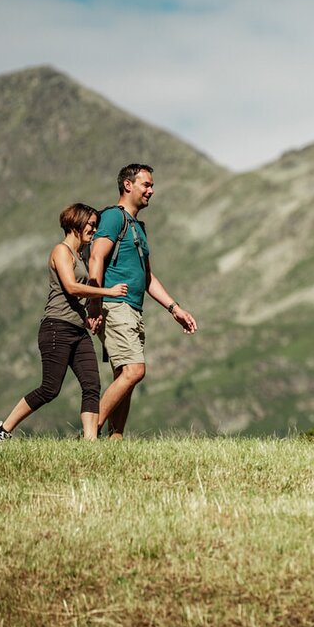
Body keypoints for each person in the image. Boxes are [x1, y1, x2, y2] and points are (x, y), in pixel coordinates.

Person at [0, 204, 128, 442]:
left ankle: (90, 442)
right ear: (76, 223)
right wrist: (108, 292)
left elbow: (75, 299)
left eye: (95, 225)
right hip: (56, 328)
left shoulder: (81, 255)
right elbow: (71, 288)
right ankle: (1, 431)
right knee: (50, 388)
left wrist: (87, 320)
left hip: (76, 329)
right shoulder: (61, 252)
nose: (94, 229)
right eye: (91, 224)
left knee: (92, 384)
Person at [87, 163, 198, 439]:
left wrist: (175, 308)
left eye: (151, 185)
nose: (151, 190)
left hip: (133, 309)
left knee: (125, 376)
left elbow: (147, 277)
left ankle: (115, 440)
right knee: (135, 370)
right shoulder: (114, 217)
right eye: (146, 184)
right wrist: (95, 303)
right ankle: (89, 435)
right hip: (115, 304)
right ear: (128, 185)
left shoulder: (138, 227)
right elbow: (96, 257)